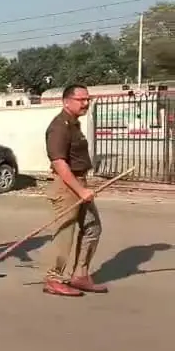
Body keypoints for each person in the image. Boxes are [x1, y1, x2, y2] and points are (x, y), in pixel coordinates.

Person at [42, 84, 107, 296]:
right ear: (66, 101)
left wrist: (83, 187)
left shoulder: (74, 124)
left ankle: (80, 275)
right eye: (81, 100)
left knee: (92, 228)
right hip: (67, 186)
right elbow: (59, 162)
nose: (86, 103)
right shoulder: (59, 127)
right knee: (65, 233)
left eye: (88, 99)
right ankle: (54, 278)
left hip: (79, 183)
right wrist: (80, 190)